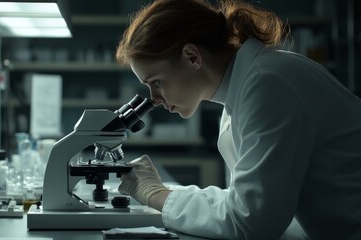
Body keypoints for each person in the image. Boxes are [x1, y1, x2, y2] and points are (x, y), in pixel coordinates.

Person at [115, 0, 361, 239]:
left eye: (156, 82)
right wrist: (165, 193)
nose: (154, 99)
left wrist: (157, 195)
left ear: (192, 56)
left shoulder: (269, 83)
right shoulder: (243, 90)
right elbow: (244, 204)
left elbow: (251, 222)